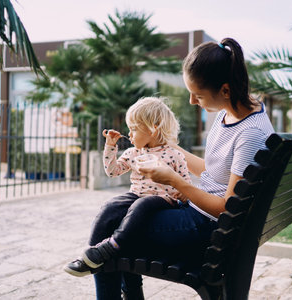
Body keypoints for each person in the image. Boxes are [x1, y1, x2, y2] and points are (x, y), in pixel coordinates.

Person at [82, 37, 275, 300]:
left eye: (198, 94)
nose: (192, 101)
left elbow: (227, 207)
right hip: (205, 218)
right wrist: (168, 147)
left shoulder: (249, 132)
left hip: (209, 228)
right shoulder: (229, 113)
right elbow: (215, 171)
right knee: (114, 211)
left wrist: (175, 180)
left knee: (113, 225)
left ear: (226, 90)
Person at [63, 97, 191, 280]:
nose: (129, 135)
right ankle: (91, 255)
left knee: (143, 205)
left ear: (153, 128)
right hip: (135, 195)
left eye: (134, 129)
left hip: (163, 200)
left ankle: (113, 245)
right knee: (110, 206)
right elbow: (112, 171)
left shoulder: (174, 155)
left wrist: (183, 193)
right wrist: (110, 147)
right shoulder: (133, 153)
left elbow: (185, 183)